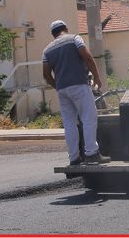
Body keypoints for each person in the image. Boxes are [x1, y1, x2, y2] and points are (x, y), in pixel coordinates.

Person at [42, 20, 109, 166]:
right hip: (79, 85)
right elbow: (87, 57)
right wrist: (97, 77)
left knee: (69, 123)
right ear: (66, 28)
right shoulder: (74, 39)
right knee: (89, 117)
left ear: (53, 34)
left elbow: (46, 75)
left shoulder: (47, 50)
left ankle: (74, 158)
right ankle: (92, 153)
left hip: (62, 90)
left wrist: (58, 86)